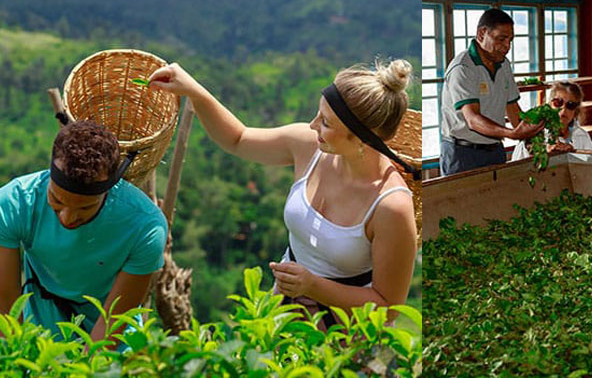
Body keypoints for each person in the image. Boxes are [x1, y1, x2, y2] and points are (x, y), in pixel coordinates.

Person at [147, 60, 417, 329]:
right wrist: (195, 91)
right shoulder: (309, 147)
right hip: (284, 311)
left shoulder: (391, 206)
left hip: (347, 331)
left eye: (325, 122)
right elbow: (238, 139)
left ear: (361, 139)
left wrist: (313, 286)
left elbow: (387, 307)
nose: (312, 126)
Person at [0, 120, 167, 346]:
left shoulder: (144, 226)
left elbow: (112, 324)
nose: (67, 218)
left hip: (111, 331)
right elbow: (6, 307)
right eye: (57, 200)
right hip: (41, 322)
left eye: (85, 208)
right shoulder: (15, 203)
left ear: (107, 192)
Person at [440, 8, 543, 176]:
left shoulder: (503, 65)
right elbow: (473, 119)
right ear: (482, 34)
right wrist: (511, 134)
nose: (507, 46)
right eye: (501, 39)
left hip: (494, 149)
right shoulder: (463, 68)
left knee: (497, 199)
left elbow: (513, 109)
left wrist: (533, 138)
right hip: (462, 153)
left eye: (510, 40)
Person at [512, 81, 592, 161]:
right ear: (549, 106)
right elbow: (519, 166)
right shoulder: (533, 134)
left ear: (576, 111)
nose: (563, 109)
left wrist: (572, 153)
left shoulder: (581, 135)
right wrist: (545, 152)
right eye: (558, 103)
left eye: (570, 105)